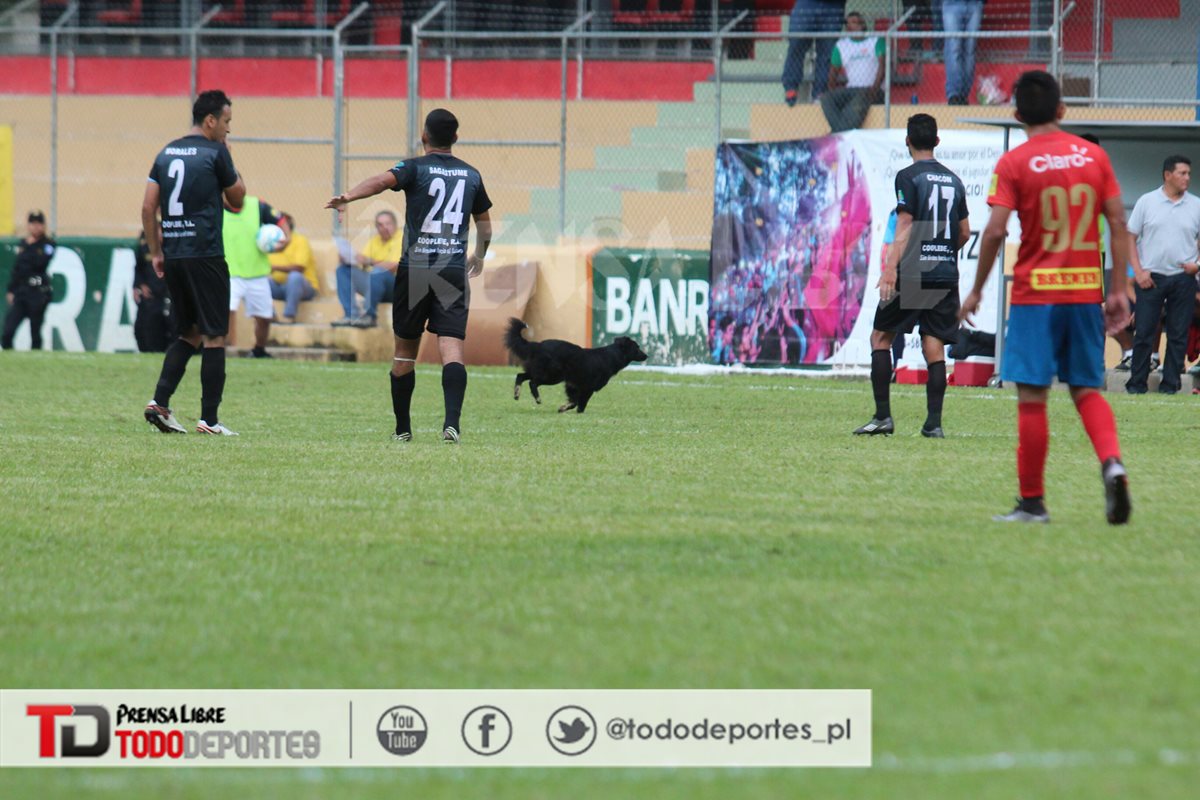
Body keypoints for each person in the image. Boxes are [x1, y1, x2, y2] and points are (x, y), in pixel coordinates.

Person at [960, 70, 1132, 525]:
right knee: (1086, 390)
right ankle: (1112, 462)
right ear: (1062, 109)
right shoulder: (1094, 157)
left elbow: (995, 231)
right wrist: (1118, 288)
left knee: (1033, 398)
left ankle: (1033, 503)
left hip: (1035, 297)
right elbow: (1118, 223)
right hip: (1084, 293)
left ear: (1017, 115)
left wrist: (976, 290)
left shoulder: (1014, 163)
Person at [325, 108, 492, 444]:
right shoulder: (472, 174)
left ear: (424, 136)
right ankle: (452, 425)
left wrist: (349, 196)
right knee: (452, 349)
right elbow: (485, 226)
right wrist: (479, 255)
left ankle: (403, 429)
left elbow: (380, 182)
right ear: (455, 138)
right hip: (452, 268)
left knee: (404, 351)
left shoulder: (414, 167)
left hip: (415, 269)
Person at [854, 113, 969, 438]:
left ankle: (882, 417)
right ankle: (933, 424)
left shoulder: (908, 176)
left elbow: (905, 224)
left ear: (907, 141)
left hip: (914, 270)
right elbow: (964, 232)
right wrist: (941, 252)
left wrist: (891, 268)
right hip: (944, 272)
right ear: (937, 141)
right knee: (934, 346)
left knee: (881, 337)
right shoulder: (954, 180)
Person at [141, 89, 246, 436]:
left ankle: (159, 402)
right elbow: (238, 198)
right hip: (205, 254)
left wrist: (157, 252)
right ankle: (209, 421)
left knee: (189, 333)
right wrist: (230, 159)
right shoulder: (216, 152)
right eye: (227, 121)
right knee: (214, 335)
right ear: (211, 120)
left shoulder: (165, 152)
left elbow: (148, 207)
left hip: (174, 254)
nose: (228, 129)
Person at [1123, 155, 1200, 395]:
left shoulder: (1196, 205)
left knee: (1178, 334)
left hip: (1183, 278)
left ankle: (1170, 385)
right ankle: (1137, 384)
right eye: (1182, 173)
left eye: (1188, 173)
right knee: (1144, 331)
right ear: (1168, 175)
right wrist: (1138, 271)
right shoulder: (1147, 202)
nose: (1187, 178)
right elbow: (1130, 237)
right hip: (1151, 278)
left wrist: (1197, 264)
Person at [224, 195, 290, 357]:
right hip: (229, 273)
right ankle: (219, 348)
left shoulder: (257, 206)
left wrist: (286, 239)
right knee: (226, 312)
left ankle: (259, 350)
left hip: (257, 273)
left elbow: (280, 220)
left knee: (264, 318)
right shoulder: (215, 208)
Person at [332, 210, 402, 328]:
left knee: (378, 272)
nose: (384, 227)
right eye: (380, 225)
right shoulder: (374, 240)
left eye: (388, 223)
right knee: (343, 270)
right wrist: (349, 260)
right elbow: (363, 264)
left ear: (395, 224)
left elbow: (394, 267)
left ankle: (369, 316)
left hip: (395, 288)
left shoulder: (402, 238)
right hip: (374, 285)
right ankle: (351, 315)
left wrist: (369, 261)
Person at [819, 12, 885, 134]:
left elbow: (883, 67)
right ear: (847, 28)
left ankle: (836, 134)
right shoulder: (841, 45)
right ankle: (841, 133)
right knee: (826, 98)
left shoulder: (876, 40)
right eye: (853, 22)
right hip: (851, 90)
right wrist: (832, 91)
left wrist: (874, 89)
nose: (858, 24)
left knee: (859, 100)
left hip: (872, 90)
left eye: (859, 21)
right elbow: (833, 73)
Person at [2, 210, 55, 351]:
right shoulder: (23, 243)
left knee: (35, 331)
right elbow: (18, 268)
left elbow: (39, 263)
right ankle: (9, 358)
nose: (35, 227)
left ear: (43, 226)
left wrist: (28, 248)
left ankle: (36, 357)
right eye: (33, 223)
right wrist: (11, 289)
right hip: (22, 292)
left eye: (39, 224)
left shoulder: (48, 244)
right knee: (8, 331)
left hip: (38, 292)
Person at [781, 0, 848, 107]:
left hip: (834, 6)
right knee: (796, 42)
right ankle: (791, 87)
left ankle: (820, 93)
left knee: (827, 51)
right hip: (808, 3)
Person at [268, 213, 319, 324]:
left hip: (304, 288)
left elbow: (299, 267)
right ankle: (269, 316)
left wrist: (275, 267)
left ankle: (289, 317)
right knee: (261, 282)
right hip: (280, 287)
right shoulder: (272, 242)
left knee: (295, 277)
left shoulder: (300, 240)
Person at [133, 229, 177, 352]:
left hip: (168, 295)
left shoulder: (172, 249)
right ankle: (150, 350)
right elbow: (138, 268)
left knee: (172, 323)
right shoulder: (145, 248)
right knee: (145, 325)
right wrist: (140, 285)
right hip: (152, 296)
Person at [942, 0, 984, 104]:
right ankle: (954, 94)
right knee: (953, 48)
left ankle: (963, 94)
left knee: (970, 50)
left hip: (974, 4)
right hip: (952, 3)